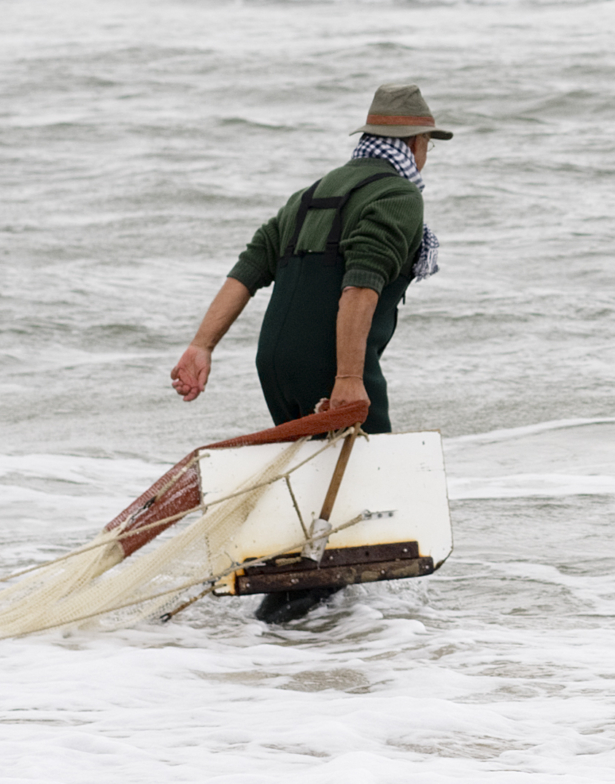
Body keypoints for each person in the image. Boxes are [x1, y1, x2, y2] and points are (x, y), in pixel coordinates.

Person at [169, 82, 449, 621]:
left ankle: (295, 631)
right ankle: (310, 627)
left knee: (322, 498)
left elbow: (249, 268)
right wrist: (348, 378)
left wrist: (201, 346)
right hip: (331, 362)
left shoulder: (313, 193)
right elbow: (360, 287)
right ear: (416, 144)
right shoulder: (397, 195)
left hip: (275, 362)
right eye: (428, 145)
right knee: (365, 502)